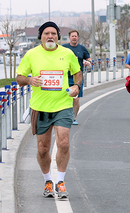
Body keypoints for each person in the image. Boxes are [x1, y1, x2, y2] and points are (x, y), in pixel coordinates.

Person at [16, 21, 82, 198]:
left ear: (58, 36)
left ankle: (60, 181)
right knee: (43, 148)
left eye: (53, 33)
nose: (50, 36)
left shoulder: (67, 54)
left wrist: (76, 86)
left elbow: (78, 73)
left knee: (63, 143)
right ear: (41, 37)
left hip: (63, 105)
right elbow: (19, 77)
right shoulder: (31, 54)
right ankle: (47, 181)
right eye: (46, 33)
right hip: (40, 107)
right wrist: (30, 80)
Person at [62, 30, 92, 125]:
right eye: (72, 36)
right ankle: (65, 116)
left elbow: (88, 58)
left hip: (77, 77)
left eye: (76, 36)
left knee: (76, 98)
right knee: (65, 98)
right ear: (69, 37)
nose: (74, 37)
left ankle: (74, 118)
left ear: (78, 38)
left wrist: (89, 62)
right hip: (66, 77)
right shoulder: (64, 48)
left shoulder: (82, 48)